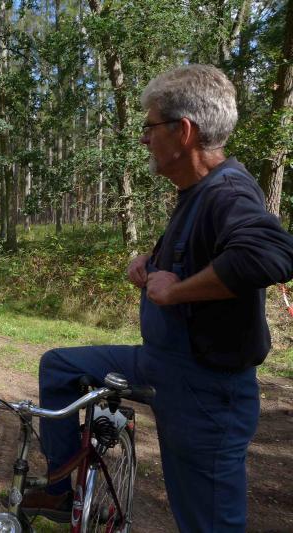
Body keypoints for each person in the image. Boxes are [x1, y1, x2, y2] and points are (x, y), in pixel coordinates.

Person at [23, 64, 293, 531]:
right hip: (160, 363)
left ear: (183, 132)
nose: (144, 138)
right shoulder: (194, 193)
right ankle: (63, 491)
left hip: (206, 390)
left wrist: (177, 290)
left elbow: (269, 254)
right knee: (59, 367)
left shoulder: (228, 191)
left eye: (150, 126)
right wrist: (150, 262)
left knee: (206, 523)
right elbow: (196, 256)